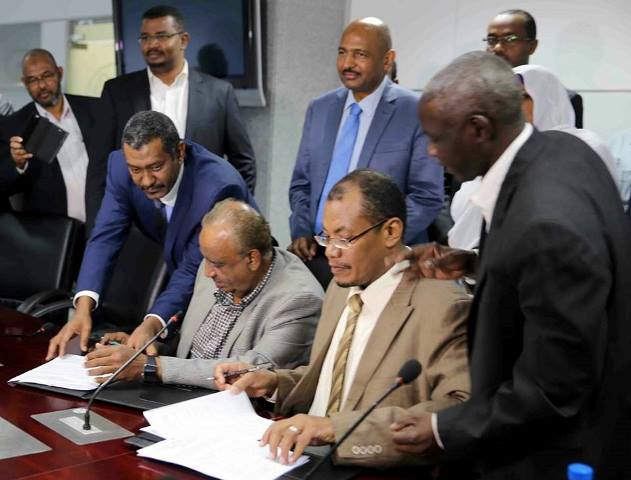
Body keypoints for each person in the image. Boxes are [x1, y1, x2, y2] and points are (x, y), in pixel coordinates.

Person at [389, 52, 631, 479]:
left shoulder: (547, 226)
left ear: (479, 129)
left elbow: (554, 388)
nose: (430, 150)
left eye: (437, 137)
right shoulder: (561, 149)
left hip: (552, 454)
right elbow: (551, 275)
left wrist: (444, 427)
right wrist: (478, 264)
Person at [215, 170, 470, 468]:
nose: (331, 252)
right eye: (326, 237)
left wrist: (335, 428)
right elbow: (334, 382)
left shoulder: (443, 305)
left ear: (391, 232)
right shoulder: (340, 286)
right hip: (300, 457)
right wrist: (272, 383)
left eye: (345, 238)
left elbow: (458, 411)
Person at [46, 111, 257, 360]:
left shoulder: (217, 187)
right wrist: (83, 310)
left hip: (231, 283)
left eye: (156, 167)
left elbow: (192, 268)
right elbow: (105, 237)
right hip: (181, 264)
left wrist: (152, 323)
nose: (146, 181)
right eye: (136, 169)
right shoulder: (120, 167)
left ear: (179, 152)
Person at [83, 199, 323, 387]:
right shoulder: (216, 265)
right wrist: (145, 349)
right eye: (205, 259)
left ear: (252, 259)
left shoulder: (299, 300)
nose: (207, 272)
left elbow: (250, 370)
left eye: (217, 264)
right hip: (177, 396)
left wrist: (151, 366)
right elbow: (193, 351)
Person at [288, 17, 444, 288]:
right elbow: (302, 184)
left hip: (382, 265)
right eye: (342, 52)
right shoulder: (320, 108)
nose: (347, 63)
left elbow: (426, 196)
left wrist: (375, 243)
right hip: (317, 256)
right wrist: (301, 229)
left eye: (360, 54)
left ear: (387, 60)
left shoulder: (416, 111)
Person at [449, 64, 616, 250]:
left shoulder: (586, 145)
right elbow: (464, 209)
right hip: (493, 258)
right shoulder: (500, 148)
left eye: (523, 97)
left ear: (548, 98)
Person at [96, 5, 256, 191]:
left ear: (184, 40)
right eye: (145, 37)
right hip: (137, 207)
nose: (152, 44)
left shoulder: (219, 93)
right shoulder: (117, 92)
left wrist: (233, 205)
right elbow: (100, 163)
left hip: (203, 205)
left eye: (162, 36)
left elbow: (243, 163)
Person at [0, 49, 103, 230]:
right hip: (56, 235)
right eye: (32, 80)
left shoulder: (95, 109)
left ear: (60, 73)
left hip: (106, 224)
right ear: (24, 82)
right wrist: (18, 165)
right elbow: (3, 186)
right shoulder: (13, 126)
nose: (41, 85)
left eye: (47, 76)